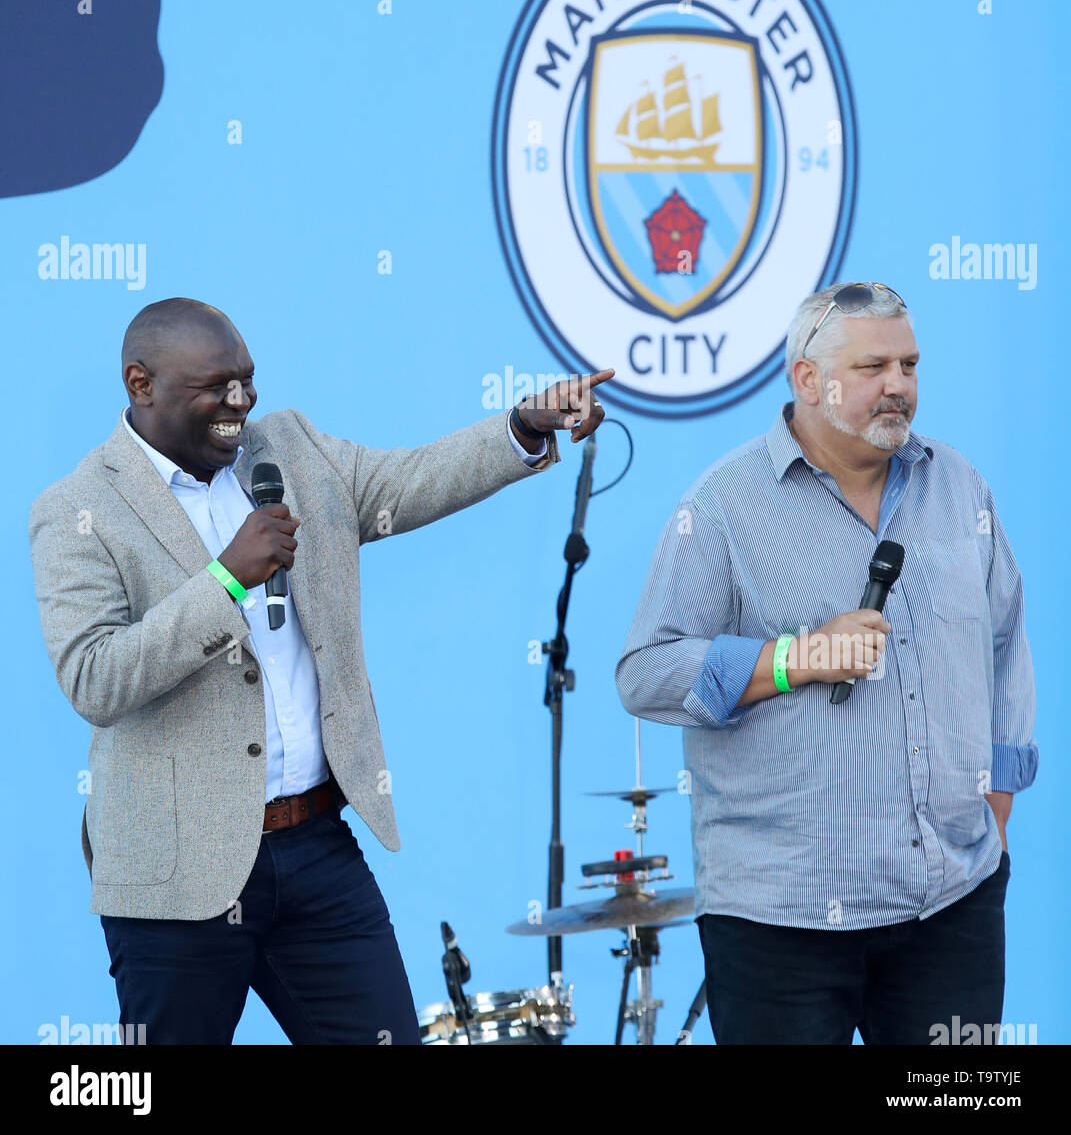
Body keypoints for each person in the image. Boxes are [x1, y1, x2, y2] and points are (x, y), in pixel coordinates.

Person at [29, 296, 613, 1045]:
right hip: (176, 879)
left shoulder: (290, 450)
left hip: (313, 846)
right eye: (216, 386)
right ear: (140, 384)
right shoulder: (79, 508)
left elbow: (408, 483)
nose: (240, 402)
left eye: (247, 380)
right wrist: (226, 581)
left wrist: (522, 428)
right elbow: (94, 678)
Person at [616, 281, 1037, 1045]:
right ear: (807, 380)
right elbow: (645, 671)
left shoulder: (959, 487)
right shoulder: (722, 507)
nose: (898, 386)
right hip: (784, 919)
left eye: (909, 365)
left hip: (951, 902)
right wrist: (794, 658)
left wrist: (995, 800)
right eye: (874, 366)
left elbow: (1003, 642)